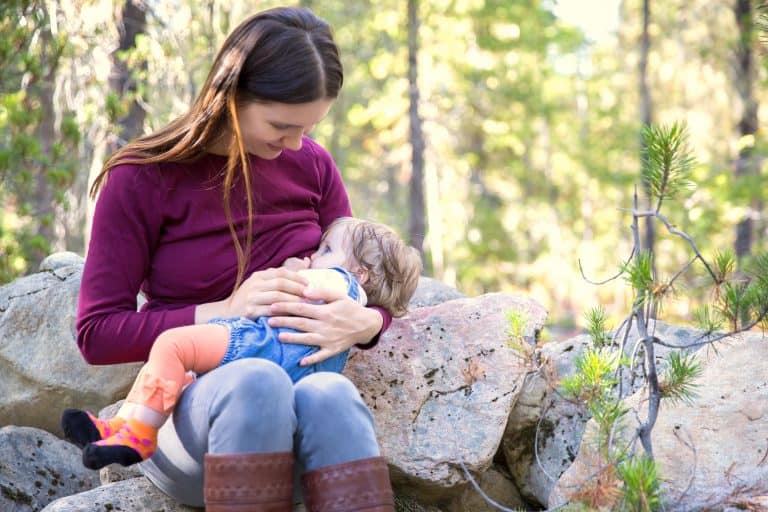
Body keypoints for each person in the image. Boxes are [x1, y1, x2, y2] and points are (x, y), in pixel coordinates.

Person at [73, 7, 413, 511]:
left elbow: (371, 273)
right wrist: (226, 309)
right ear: (232, 96)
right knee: (258, 380)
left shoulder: (312, 165)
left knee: (332, 395)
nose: (297, 144)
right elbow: (97, 333)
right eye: (282, 125)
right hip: (194, 431)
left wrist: (362, 322)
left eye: (310, 126)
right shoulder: (141, 179)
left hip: (310, 441)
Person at [62, 216, 421, 472]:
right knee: (181, 376)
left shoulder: (340, 281)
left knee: (172, 346)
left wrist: (297, 270)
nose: (314, 254)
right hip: (293, 378)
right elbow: (98, 332)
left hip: (260, 344)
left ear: (359, 274)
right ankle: (122, 426)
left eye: (325, 248)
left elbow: (317, 287)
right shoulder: (347, 290)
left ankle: (137, 433)